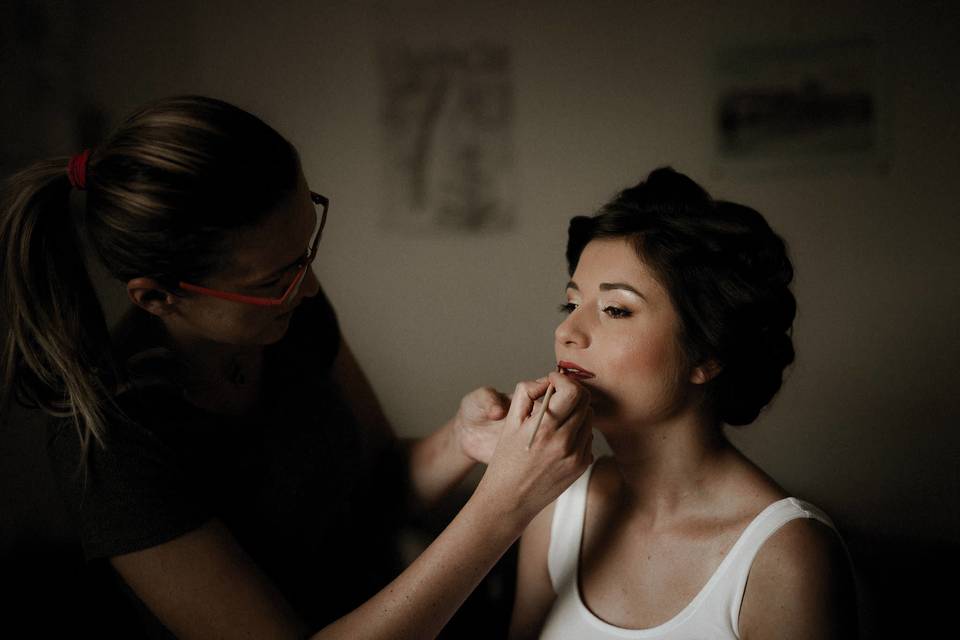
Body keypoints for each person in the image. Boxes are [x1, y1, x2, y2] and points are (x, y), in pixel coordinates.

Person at [0, 95, 594, 639]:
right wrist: (503, 506)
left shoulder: (288, 319)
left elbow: (381, 487)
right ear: (157, 297)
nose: (307, 287)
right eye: (272, 280)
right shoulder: (113, 441)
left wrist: (461, 442)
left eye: (304, 252)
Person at [509, 168, 858, 639]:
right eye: (571, 305)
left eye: (616, 309)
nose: (566, 332)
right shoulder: (558, 510)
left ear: (706, 354)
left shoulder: (785, 555)